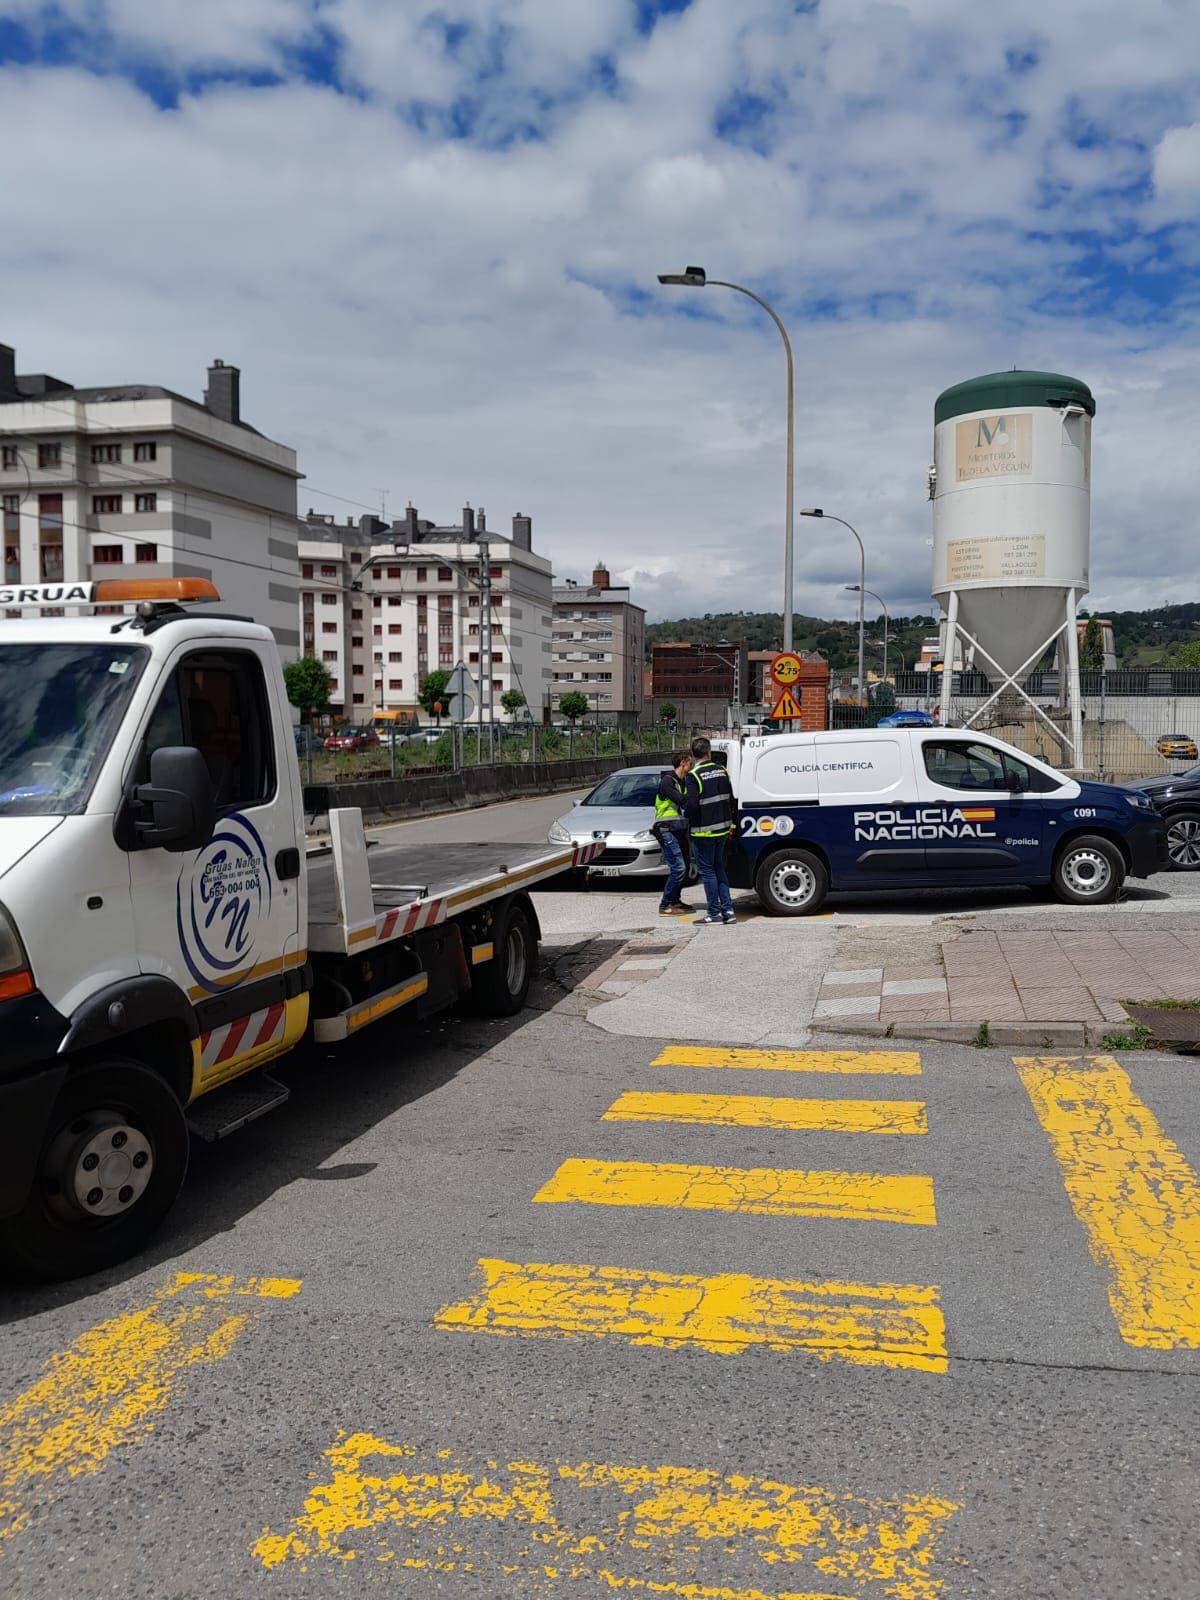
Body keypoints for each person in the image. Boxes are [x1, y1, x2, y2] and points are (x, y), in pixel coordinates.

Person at [686, 735, 736, 925]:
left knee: (707, 872)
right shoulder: (722, 770)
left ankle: (713, 913)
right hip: (723, 830)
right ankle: (729, 911)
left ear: (694, 755)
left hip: (703, 832)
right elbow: (730, 799)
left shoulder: (693, 776)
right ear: (709, 753)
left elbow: (691, 806)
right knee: (719, 869)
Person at [653, 750, 693, 915]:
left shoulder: (681, 781)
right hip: (666, 829)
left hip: (678, 829)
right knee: (678, 868)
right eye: (690, 763)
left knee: (685, 866)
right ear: (683, 762)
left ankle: (675, 901)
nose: (692, 766)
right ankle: (665, 905)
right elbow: (682, 801)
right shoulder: (667, 782)